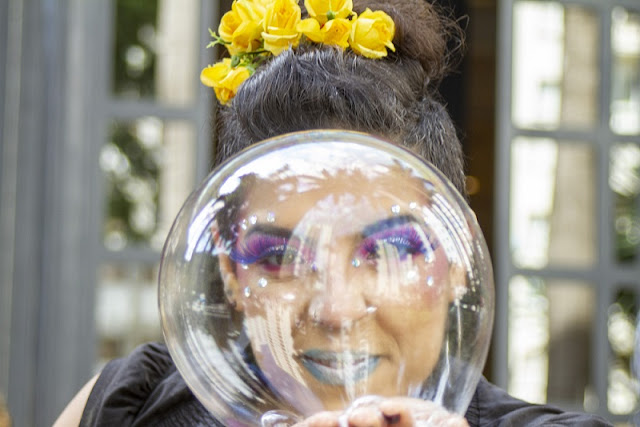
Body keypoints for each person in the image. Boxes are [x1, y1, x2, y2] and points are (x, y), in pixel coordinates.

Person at [55, 0, 614, 425]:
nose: (337, 308)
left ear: (460, 261)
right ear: (229, 274)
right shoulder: (127, 406)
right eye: (276, 256)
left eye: (391, 250)